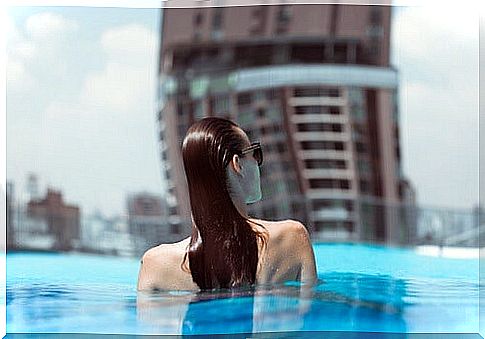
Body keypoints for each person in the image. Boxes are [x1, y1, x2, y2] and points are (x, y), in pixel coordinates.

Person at [137, 117, 317, 292]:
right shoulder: (292, 237)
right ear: (237, 164)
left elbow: (149, 320)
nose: (257, 162)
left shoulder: (155, 265)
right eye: (255, 153)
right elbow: (309, 314)